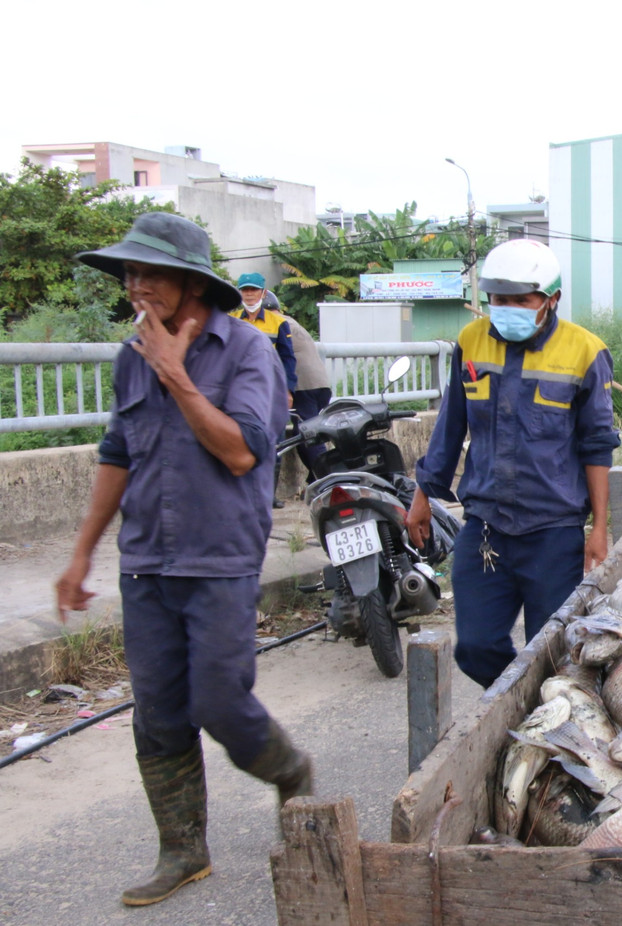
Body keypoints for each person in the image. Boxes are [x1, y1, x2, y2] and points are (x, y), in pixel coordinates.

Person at [54, 213, 312, 907]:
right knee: (159, 714)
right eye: (128, 274)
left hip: (219, 558)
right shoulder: (130, 355)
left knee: (220, 701)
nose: (135, 286)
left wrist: (177, 376)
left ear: (193, 283)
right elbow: (115, 456)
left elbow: (240, 451)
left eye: (148, 273)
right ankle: (183, 849)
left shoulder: (247, 353)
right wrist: (80, 555)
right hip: (146, 562)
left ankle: (291, 772)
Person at [405, 240, 619, 689]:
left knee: (554, 650)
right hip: (486, 526)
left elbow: (596, 447)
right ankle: (516, 706)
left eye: (522, 300)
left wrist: (598, 530)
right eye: (499, 300)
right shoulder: (471, 342)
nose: (508, 309)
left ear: (551, 299)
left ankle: (545, 726)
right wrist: (421, 498)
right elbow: (449, 427)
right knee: (476, 647)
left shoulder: (585, 352)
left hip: (553, 532)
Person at [233, 272, 297, 505]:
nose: (249, 294)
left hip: (271, 390)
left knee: (274, 442)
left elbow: (288, 359)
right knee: (242, 440)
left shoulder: (278, 322)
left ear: (263, 293)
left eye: (253, 290)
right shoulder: (232, 319)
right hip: (241, 391)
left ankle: (269, 494)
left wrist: (288, 390)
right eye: (245, 290)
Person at [280, 312, 333, 471]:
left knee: (308, 433)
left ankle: (328, 476)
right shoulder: (293, 322)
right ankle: (315, 479)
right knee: (302, 435)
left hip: (303, 386)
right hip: (321, 384)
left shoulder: (276, 324)